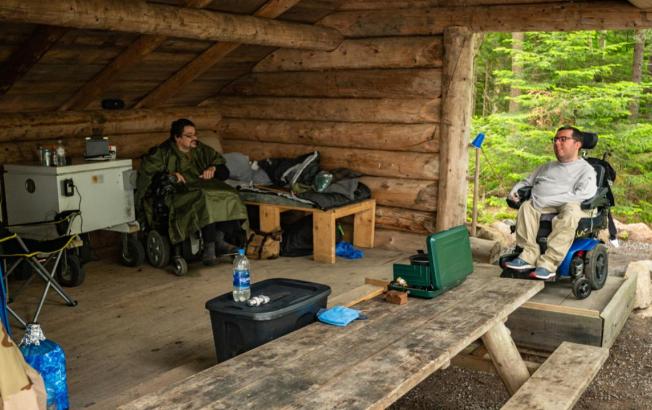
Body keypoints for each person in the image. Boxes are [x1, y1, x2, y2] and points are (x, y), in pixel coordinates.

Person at [136, 118, 248, 266]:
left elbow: (223, 170)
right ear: (177, 137)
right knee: (205, 198)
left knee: (230, 194)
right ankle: (209, 246)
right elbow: (148, 177)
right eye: (189, 135)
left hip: (202, 186)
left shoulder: (200, 149)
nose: (194, 138)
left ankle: (220, 240)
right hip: (176, 193)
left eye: (195, 134)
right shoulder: (162, 153)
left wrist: (213, 169)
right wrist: (169, 176)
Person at [505, 126, 597, 280]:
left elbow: (584, 194)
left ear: (577, 144)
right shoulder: (546, 167)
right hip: (541, 204)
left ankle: (549, 264)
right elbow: (526, 182)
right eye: (555, 139)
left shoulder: (586, 170)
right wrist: (514, 192)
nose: (557, 143)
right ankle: (528, 255)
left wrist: (545, 200)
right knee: (526, 206)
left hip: (571, 205)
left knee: (571, 211)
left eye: (563, 139)